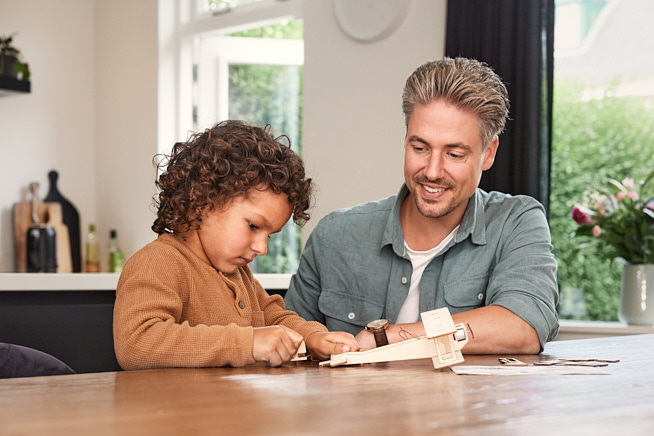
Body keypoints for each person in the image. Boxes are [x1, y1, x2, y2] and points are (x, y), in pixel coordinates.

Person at [285, 57, 559, 355]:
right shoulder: (334, 235)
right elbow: (287, 342)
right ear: (405, 141)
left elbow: (524, 327)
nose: (432, 171)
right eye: (420, 148)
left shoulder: (515, 222)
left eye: (454, 154)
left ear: (488, 153)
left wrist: (388, 337)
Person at [113, 120, 359, 370]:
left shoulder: (239, 276)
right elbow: (136, 343)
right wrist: (247, 342)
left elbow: (274, 318)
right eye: (253, 226)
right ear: (201, 200)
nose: (262, 248)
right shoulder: (158, 262)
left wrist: (312, 337)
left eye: (269, 235)